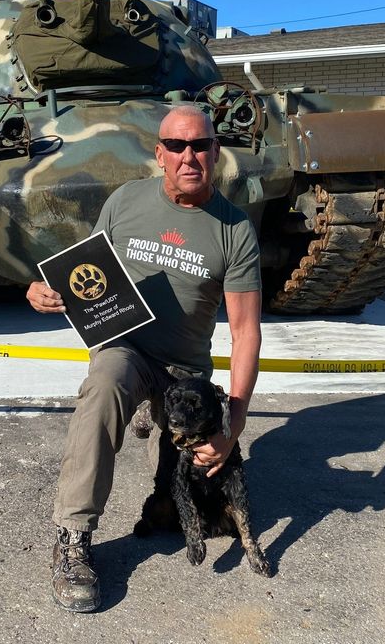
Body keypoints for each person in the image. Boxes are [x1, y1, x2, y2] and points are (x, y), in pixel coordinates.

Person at [26, 105, 262, 612]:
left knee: (178, 508)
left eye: (200, 145)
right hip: (127, 348)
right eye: (176, 146)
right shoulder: (125, 202)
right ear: (160, 154)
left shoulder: (234, 229)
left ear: (216, 152)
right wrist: (45, 292)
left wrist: (233, 427)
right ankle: (72, 537)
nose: (189, 156)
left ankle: (163, 445)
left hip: (185, 372)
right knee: (105, 383)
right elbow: (86, 278)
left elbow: (244, 333)